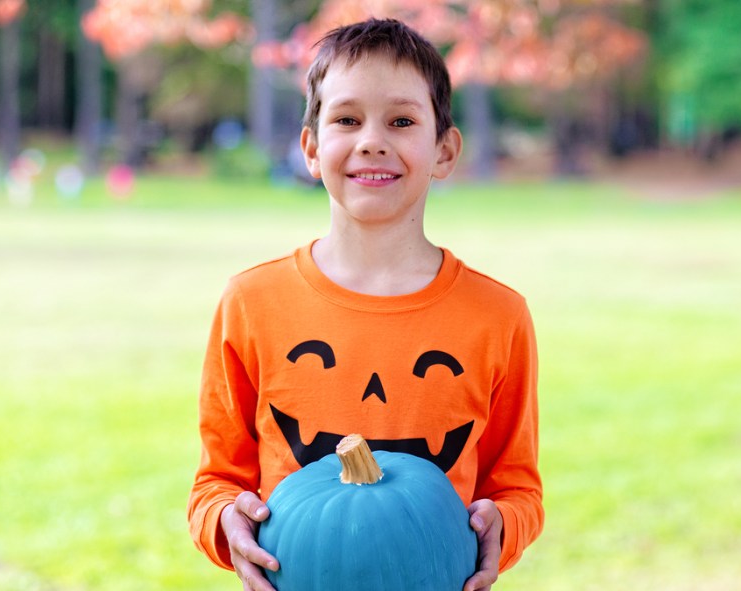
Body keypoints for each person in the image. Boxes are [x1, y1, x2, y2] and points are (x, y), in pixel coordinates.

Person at [188, 18, 543, 591]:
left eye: (401, 121)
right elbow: (216, 483)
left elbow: (517, 487)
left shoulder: (497, 317)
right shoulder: (252, 303)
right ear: (310, 147)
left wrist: (505, 524)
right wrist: (224, 523)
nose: (372, 140)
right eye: (347, 120)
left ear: (444, 151)